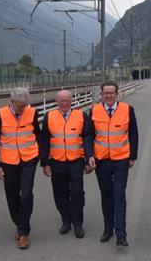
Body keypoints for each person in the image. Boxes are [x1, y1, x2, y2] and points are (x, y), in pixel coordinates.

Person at [88, 80, 139, 246]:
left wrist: (132, 156)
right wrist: (89, 155)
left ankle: (121, 234)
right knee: (106, 195)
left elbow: (133, 134)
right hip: (101, 161)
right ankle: (108, 229)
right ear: (101, 95)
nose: (109, 95)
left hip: (121, 160)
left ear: (117, 94)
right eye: (106, 93)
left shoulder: (127, 109)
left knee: (119, 194)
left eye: (112, 93)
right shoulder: (94, 110)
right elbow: (88, 135)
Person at [0, 87, 42, 249]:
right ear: (11, 102)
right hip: (8, 161)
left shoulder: (32, 112)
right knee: (12, 196)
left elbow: (38, 134)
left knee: (26, 194)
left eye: (25, 105)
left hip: (29, 159)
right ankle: (19, 223)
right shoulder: (0, 114)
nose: (23, 108)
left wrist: (41, 156)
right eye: (20, 105)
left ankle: (23, 231)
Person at [41, 90, 93, 239]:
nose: (64, 103)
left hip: (76, 162)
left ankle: (78, 223)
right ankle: (66, 220)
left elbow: (87, 139)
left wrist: (89, 158)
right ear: (57, 101)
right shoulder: (49, 117)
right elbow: (44, 141)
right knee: (59, 193)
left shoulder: (81, 116)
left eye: (67, 100)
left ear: (72, 101)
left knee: (77, 193)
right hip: (57, 162)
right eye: (61, 100)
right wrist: (45, 163)